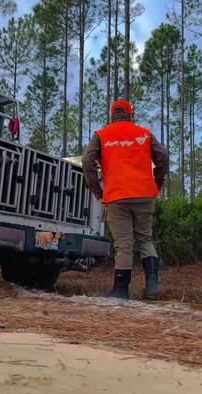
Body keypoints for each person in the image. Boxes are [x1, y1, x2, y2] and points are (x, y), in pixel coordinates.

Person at [82, 99, 168, 300]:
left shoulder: (101, 135)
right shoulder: (144, 134)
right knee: (145, 238)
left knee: (123, 244)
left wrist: (97, 191)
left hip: (116, 196)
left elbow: (87, 160)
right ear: (131, 115)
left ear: (112, 116)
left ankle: (121, 290)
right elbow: (162, 156)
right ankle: (152, 287)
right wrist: (157, 182)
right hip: (145, 194)